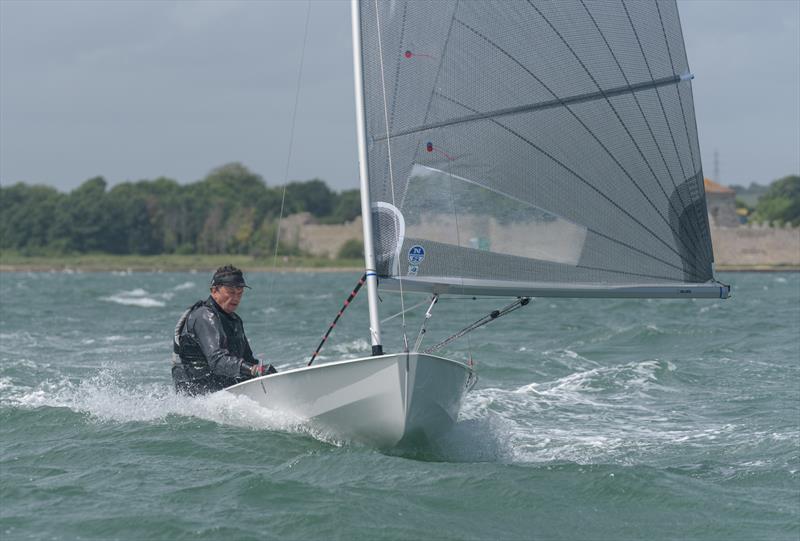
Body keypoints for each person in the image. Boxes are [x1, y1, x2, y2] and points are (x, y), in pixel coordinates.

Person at [171, 265, 276, 395]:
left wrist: (266, 374)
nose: (236, 298)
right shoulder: (204, 316)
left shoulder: (235, 320)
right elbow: (217, 361)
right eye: (231, 292)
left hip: (222, 388)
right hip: (197, 392)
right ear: (214, 290)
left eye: (240, 293)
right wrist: (254, 370)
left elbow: (248, 359)